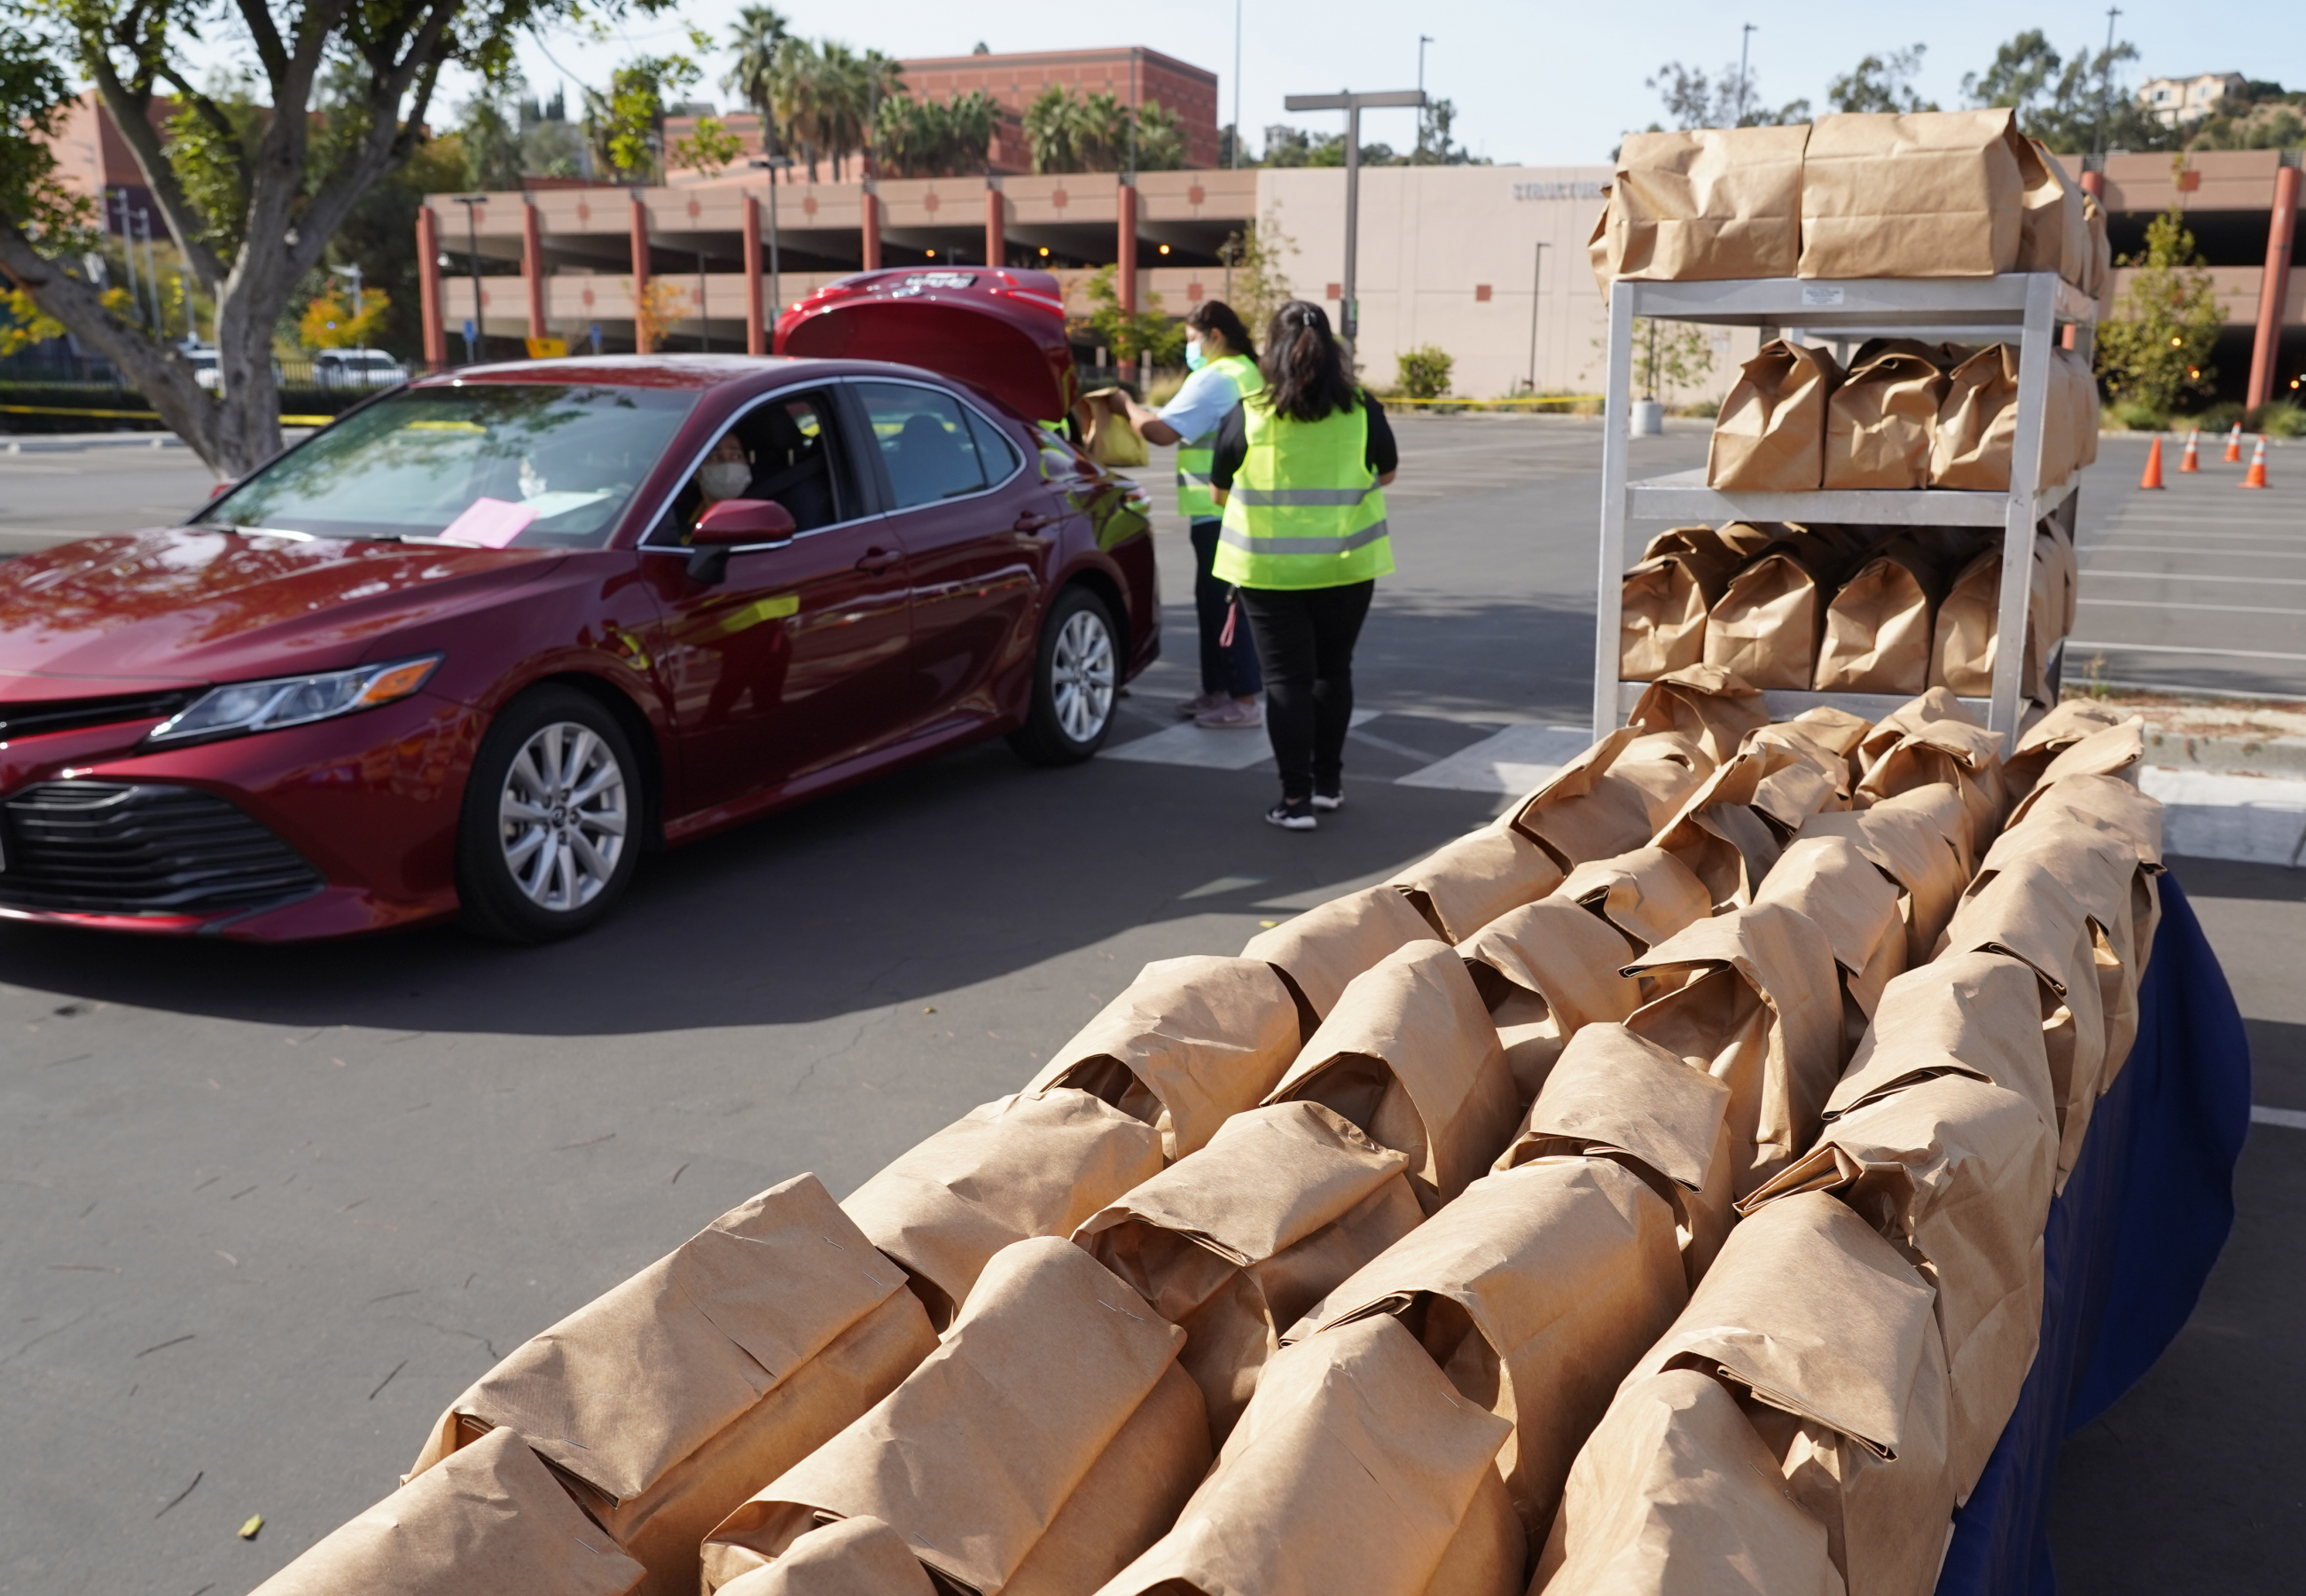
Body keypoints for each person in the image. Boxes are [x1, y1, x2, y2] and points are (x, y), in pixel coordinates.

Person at [1208, 301, 1397, 831]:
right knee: (1333, 673)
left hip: (1268, 573)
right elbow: (1386, 472)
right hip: (1348, 566)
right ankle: (1328, 785)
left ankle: (1294, 802)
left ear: (1272, 351)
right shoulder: (1362, 408)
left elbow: (1218, 489)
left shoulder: (1249, 412)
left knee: (1287, 682)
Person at [1122, 301, 1266, 730]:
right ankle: (1217, 689)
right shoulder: (1248, 372)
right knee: (1212, 600)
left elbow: (1162, 432)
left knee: (1223, 603)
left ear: (1214, 336)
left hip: (1219, 508)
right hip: (1234, 505)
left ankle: (1242, 699)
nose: (1190, 350)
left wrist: (1124, 406)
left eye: (1191, 340)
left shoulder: (1216, 378)